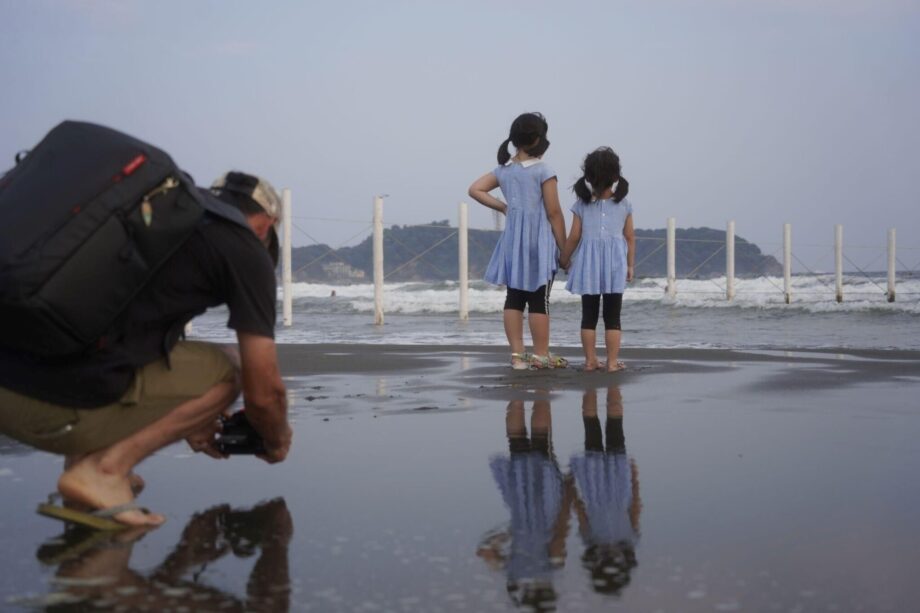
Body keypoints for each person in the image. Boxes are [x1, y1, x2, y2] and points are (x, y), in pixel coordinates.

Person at [0, 171, 292, 528]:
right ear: (268, 223)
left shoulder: (154, 216)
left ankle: (82, 470)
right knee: (229, 368)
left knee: (101, 345)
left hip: (13, 388)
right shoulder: (244, 247)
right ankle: (103, 471)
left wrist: (188, 417)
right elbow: (263, 393)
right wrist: (276, 438)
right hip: (48, 407)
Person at [468, 112, 568, 370]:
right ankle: (541, 355)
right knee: (538, 298)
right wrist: (565, 247)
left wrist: (504, 207)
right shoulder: (544, 170)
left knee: (514, 297)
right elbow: (554, 212)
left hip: (513, 239)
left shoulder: (504, 170)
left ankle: (517, 356)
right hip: (539, 241)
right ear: (538, 140)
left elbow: (475, 189)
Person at [559, 147, 635, 372]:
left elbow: (574, 237)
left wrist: (564, 258)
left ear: (589, 177)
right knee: (613, 317)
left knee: (588, 316)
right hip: (615, 265)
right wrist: (630, 265)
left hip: (587, 267)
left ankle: (590, 361)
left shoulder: (581, 205)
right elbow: (629, 237)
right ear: (615, 176)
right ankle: (612, 363)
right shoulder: (624, 204)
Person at [570, 386, 641, 596]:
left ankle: (592, 387)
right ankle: (609, 387)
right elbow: (635, 509)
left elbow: (580, 512)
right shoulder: (629, 541)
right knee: (613, 429)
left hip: (596, 483)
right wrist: (635, 479)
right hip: (617, 481)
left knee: (594, 428)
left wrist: (572, 488)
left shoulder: (591, 541)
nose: (611, 555)